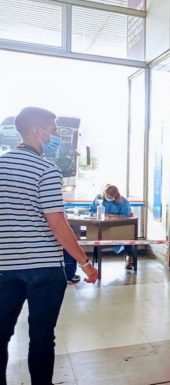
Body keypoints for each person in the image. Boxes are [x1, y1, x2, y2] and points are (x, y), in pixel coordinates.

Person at [0, 107, 98, 385]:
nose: (55, 136)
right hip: (44, 268)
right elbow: (56, 222)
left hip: (4, 268)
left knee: (1, 333)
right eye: (53, 130)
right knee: (42, 335)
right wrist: (85, 262)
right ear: (37, 131)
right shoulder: (46, 169)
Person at [89, 184, 138, 270]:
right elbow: (91, 211)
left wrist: (113, 216)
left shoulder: (123, 201)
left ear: (116, 195)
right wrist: (94, 214)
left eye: (111, 196)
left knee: (127, 236)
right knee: (93, 235)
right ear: (104, 193)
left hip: (117, 227)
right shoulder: (99, 198)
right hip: (101, 227)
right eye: (107, 195)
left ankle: (129, 256)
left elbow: (126, 215)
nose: (109, 197)